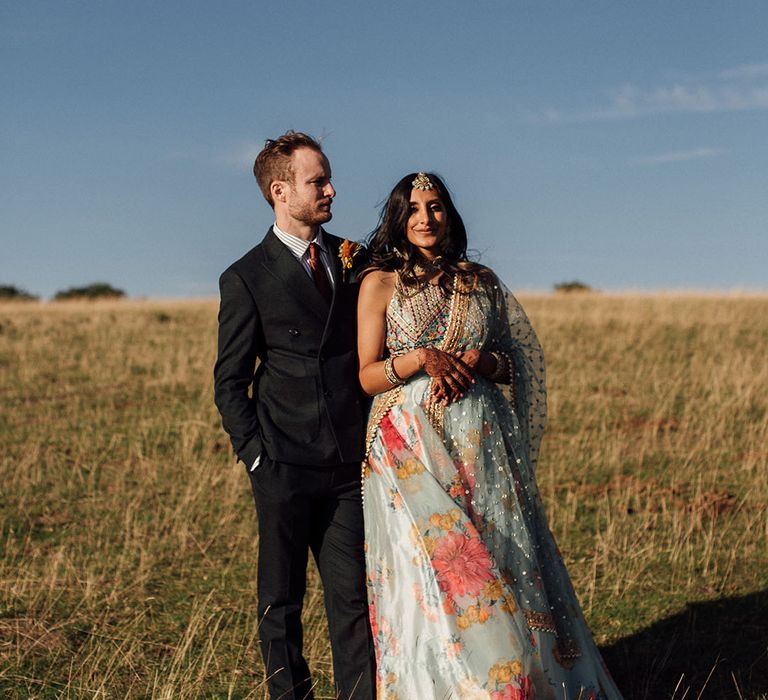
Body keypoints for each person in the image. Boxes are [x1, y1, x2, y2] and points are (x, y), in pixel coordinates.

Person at [357, 172, 623, 699]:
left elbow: (517, 363)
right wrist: (416, 359)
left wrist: (484, 360)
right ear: (398, 217)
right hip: (408, 447)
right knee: (441, 566)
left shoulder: (480, 280)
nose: (425, 218)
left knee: (501, 556)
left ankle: (524, 681)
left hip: (482, 442)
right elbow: (366, 374)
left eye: (436, 207)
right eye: (413, 209)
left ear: (449, 215)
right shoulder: (380, 283)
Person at [214, 131, 375, 699]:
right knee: (280, 601)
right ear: (281, 192)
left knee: (354, 601)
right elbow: (229, 380)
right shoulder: (246, 276)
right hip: (282, 462)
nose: (331, 189)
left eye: (328, 177)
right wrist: (257, 456)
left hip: (348, 463)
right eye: (318, 181)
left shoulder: (356, 260)